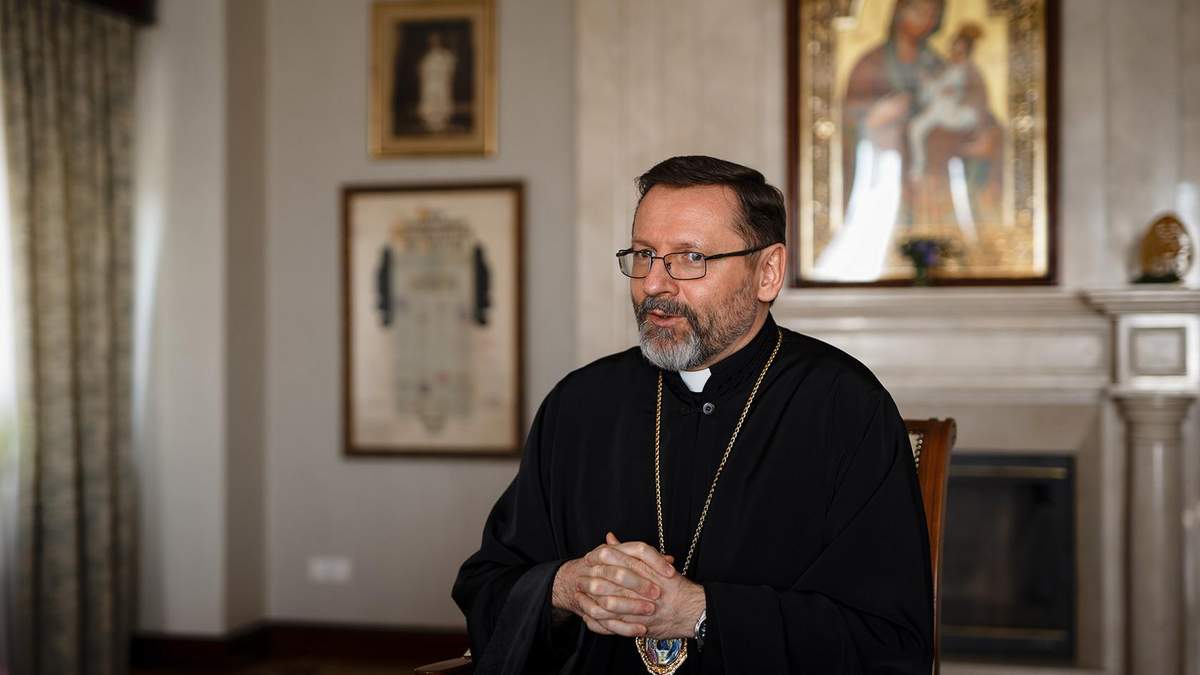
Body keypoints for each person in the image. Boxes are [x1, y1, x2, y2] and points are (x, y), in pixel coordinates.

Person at [453, 156, 933, 674]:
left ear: (767, 272)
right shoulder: (580, 404)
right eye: (644, 255)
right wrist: (565, 587)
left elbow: (889, 640)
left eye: (690, 258)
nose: (654, 285)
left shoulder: (846, 407)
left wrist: (697, 612)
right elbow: (488, 583)